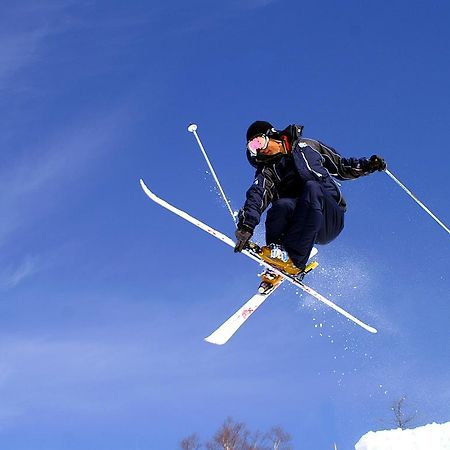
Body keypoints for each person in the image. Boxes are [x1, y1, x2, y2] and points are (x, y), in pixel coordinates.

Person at [234, 120, 386, 278]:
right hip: (300, 223)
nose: (259, 151)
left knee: (312, 187)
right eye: (253, 149)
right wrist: (247, 226)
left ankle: (295, 260)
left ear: (272, 135)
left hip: (329, 216)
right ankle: (276, 256)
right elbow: (257, 194)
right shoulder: (268, 170)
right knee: (281, 205)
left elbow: (341, 166)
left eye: (258, 142)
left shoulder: (308, 146)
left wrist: (368, 165)